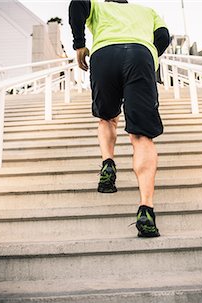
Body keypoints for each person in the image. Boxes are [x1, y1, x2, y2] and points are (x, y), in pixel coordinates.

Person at [69, 0, 170, 237]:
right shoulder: (147, 11)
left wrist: (79, 45)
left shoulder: (97, 6)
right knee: (141, 135)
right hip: (140, 54)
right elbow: (164, 36)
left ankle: (108, 163)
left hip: (105, 55)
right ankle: (146, 208)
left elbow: (77, 4)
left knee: (107, 118)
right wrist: (151, 53)